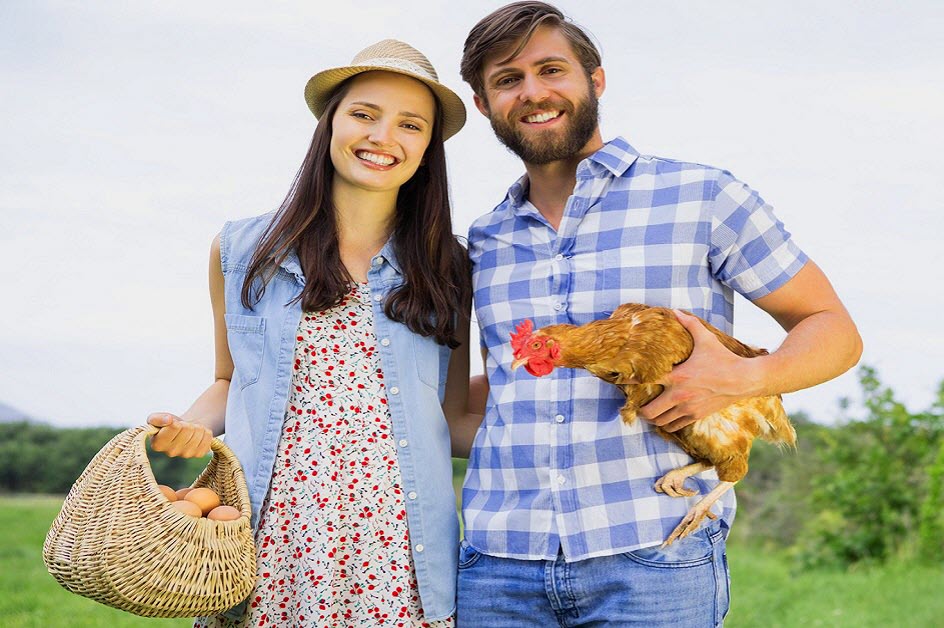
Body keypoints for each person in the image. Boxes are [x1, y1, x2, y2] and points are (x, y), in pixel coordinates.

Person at [456, 2, 863, 626]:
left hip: (653, 557)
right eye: (508, 80)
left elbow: (832, 329)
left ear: (595, 79)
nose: (533, 93)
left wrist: (745, 378)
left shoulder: (702, 196)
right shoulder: (484, 240)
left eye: (551, 69)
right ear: (485, 105)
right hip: (498, 565)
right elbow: (505, 392)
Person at [146, 39, 477, 627]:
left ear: (427, 150)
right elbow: (229, 379)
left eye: (410, 124)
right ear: (330, 125)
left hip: (400, 557)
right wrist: (194, 425)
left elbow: (448, 419)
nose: (382, 137)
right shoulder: (244, 249)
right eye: (364, 114)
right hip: (272, 546)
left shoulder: (448, 268)